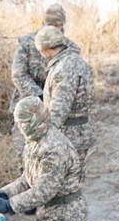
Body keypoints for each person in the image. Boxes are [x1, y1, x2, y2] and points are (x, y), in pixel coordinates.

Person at [36, 25, 96, 159]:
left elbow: (59, 110)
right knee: (76, 177)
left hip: (68, 137)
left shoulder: (63, 69)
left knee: (66, 179)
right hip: (79, 133)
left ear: (45, 50)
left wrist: (44, 139)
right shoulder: (77, 61)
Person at [11, 4, 78, 107]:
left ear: (62, 26)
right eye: (49, 26)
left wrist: (55, 100)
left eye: (56, 27)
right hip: (27, 105)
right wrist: (40, 97)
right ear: (43, 24)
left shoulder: (71, 48)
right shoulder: (26, 42)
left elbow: (72, 80)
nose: (51, 31)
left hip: (58, 106)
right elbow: (18, 74)